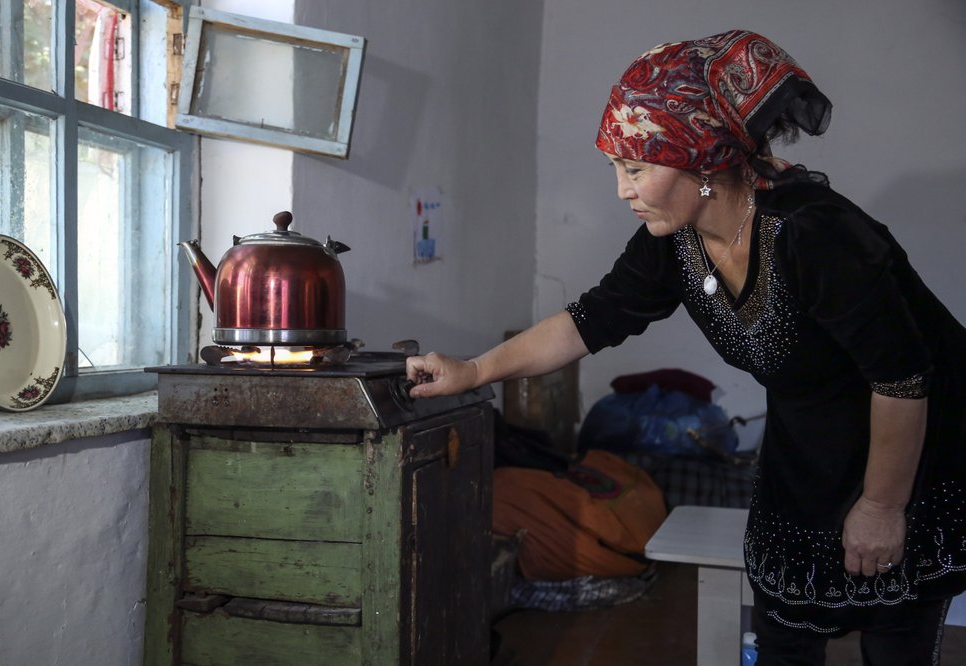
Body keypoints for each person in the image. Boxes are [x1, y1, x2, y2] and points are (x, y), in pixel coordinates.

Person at [405, 28, 966, 665]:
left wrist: (882, 506)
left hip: (916, 449)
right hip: (809, 441)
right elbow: (590, 319)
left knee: (895, 639)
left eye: (636, 168)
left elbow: (901, 378)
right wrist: (473, 370)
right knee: (784, 633)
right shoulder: (675, 240)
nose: (622, 189)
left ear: (702, 161)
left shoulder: (818, 236)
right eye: (617, 168)